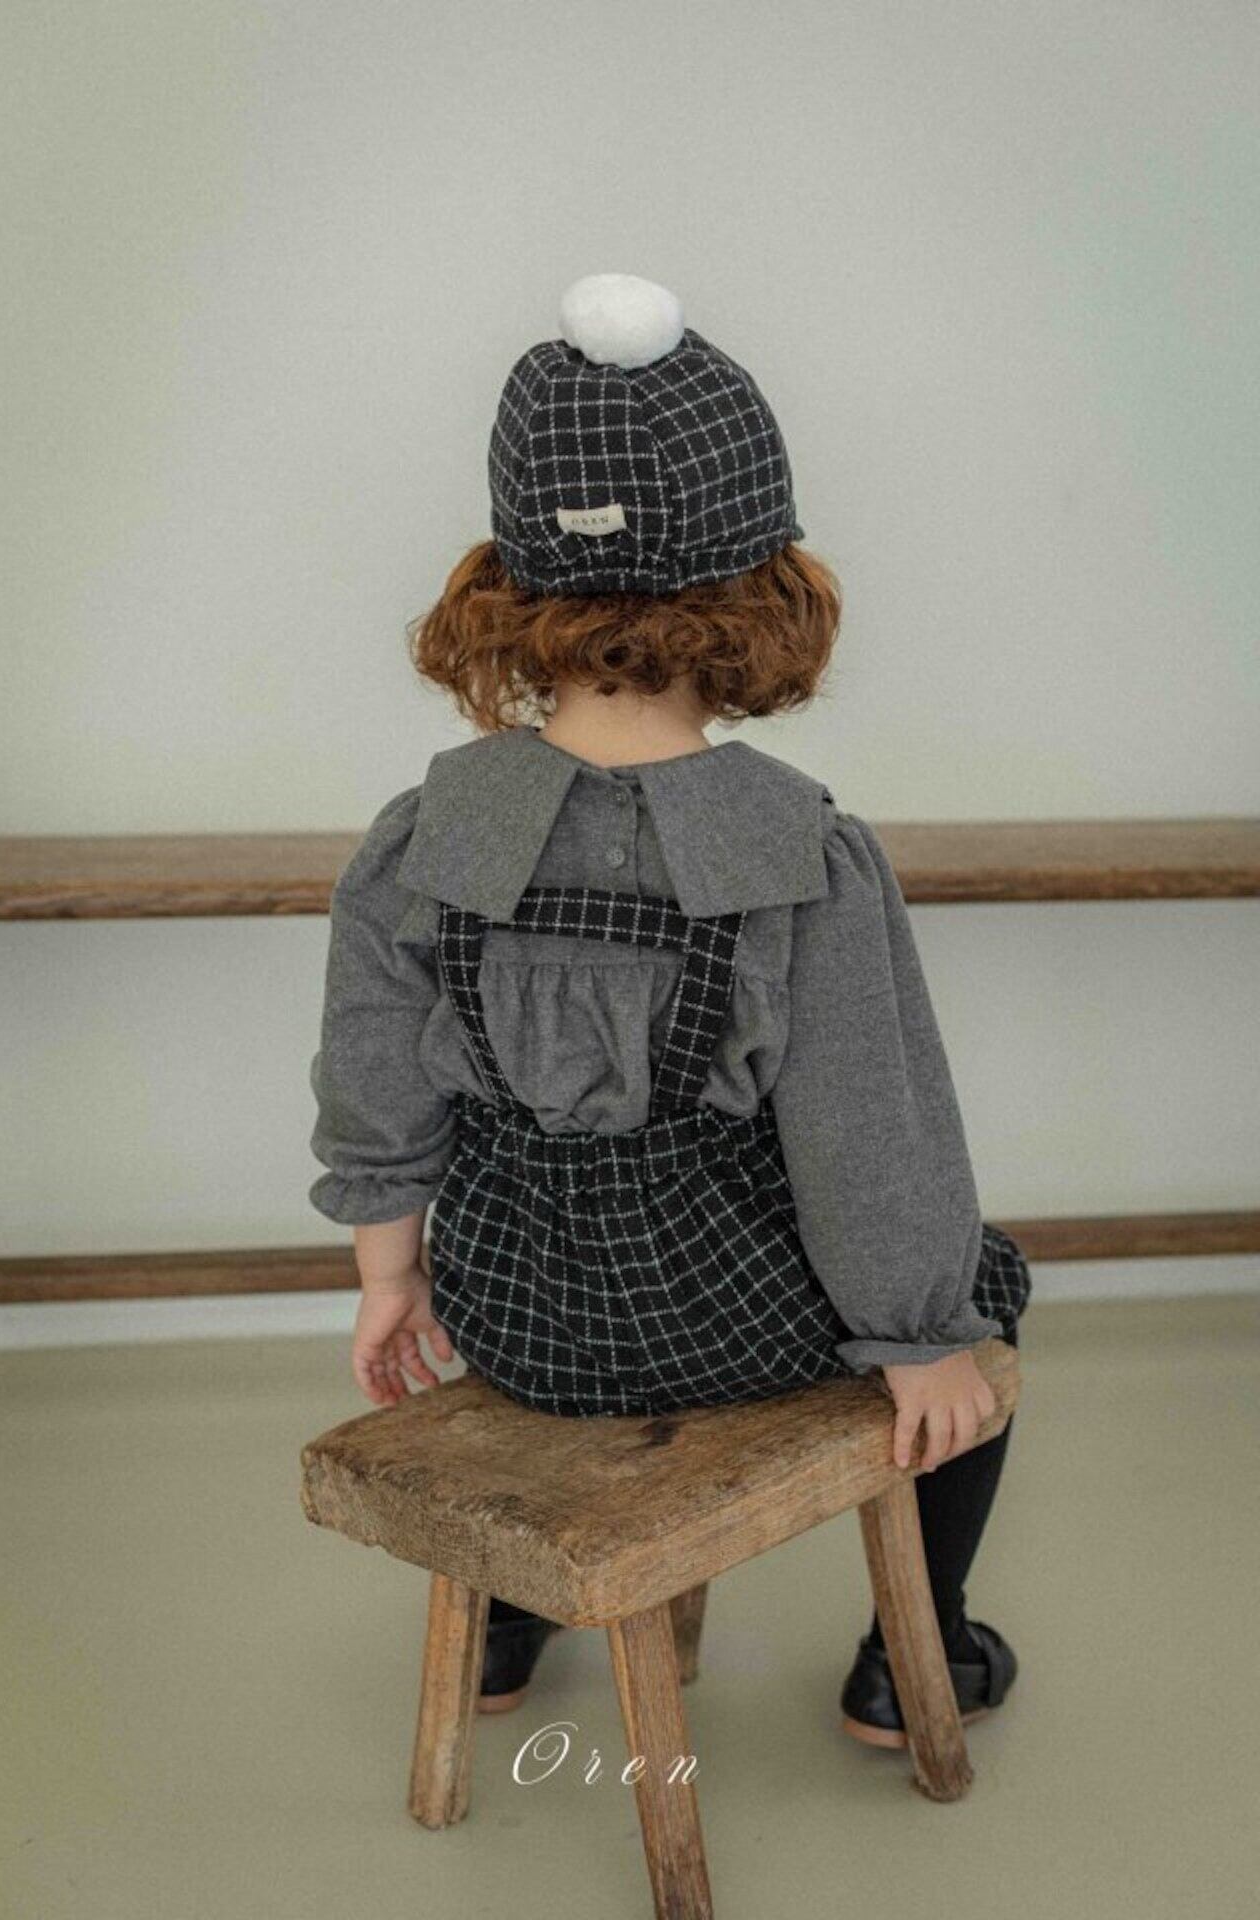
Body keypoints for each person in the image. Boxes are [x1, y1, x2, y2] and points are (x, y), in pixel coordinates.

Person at [308, 273, 1030, 1747]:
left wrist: (392, 1279)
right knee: (992, 1281)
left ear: (503, 585)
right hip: (734, 1314)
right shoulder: (801, 852)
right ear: (765, 589)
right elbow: (865, 1135)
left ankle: (507, 1627)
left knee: (513, 1262)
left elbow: (373, 1081)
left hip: (513, 1312)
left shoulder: (428, 833)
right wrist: (920, 1335)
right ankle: (919, 1658)